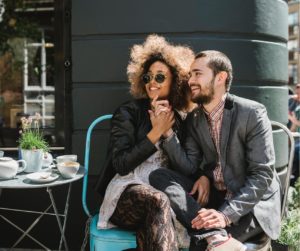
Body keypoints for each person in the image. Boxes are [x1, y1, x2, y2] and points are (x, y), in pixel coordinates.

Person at [149, 50, 281, 251]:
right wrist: (166, 133)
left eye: (197, 74)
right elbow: (189, 166)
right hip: (216, 196)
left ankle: (210, 236)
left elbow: (262, 175)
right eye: (190, 74)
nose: (191, 80)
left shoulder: (251, 113)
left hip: (248, 205)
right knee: (159, 176)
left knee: (200, 247)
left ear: (220, 77)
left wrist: (225, 214)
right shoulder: (194, 119)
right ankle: (214, 235)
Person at [95, 34, 196, 251]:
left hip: (163, 189)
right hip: (128, 192)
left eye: (160, 77)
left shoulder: (182, 119)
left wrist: (168, 132)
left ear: (176, 80)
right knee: (158, 201)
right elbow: (121, 164)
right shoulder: (128, 112)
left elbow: (187, 169)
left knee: (156, 216)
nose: (152, 83)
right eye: (148, 77)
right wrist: (155, 132)